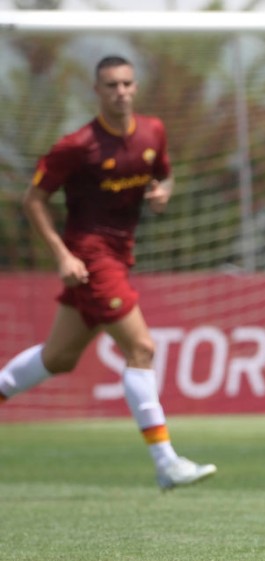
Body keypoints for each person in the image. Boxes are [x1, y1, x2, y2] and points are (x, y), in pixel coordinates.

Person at [0, 55, 216, 491]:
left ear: (135, 88)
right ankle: (166, 462)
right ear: (97, 91)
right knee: (141, 348)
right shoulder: (77, 145)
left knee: (58, 358)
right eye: (111, 85)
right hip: (89, 255)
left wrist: (161, 193)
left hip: (121, 254)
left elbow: (165, 178)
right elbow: (33, 200)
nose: (120, 91)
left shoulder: (153, 131)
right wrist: (63, 255)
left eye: (126, 83)